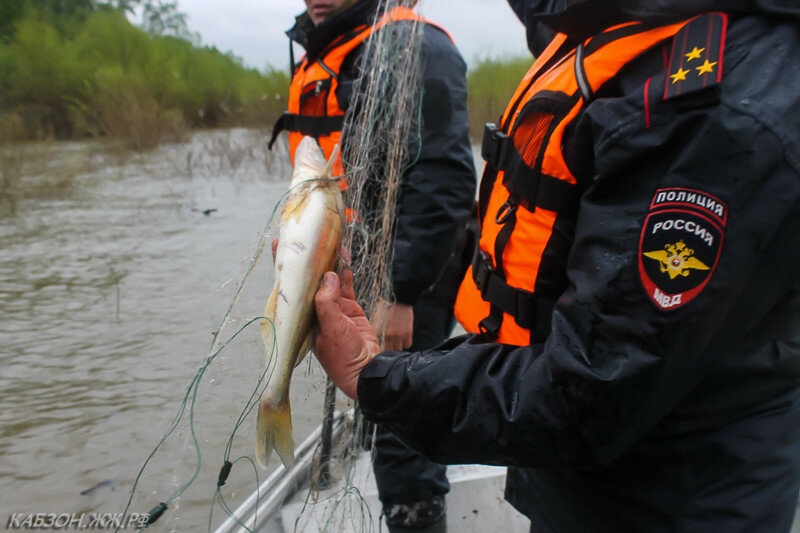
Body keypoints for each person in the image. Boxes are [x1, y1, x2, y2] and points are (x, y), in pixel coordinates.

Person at [310, 0, 800, 531]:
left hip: (666, 501)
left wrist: (375, 377)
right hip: (579, 480)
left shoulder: (717, 111)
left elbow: (592, 390)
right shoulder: (628, 18)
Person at [270, 1, 476, 531]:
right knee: (378, 411)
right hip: (357, 261)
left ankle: (418, 517)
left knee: (404, 428)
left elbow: (446, 185)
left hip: (410, 275)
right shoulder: (333, 47)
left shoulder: (409, 44)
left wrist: (403, 292)